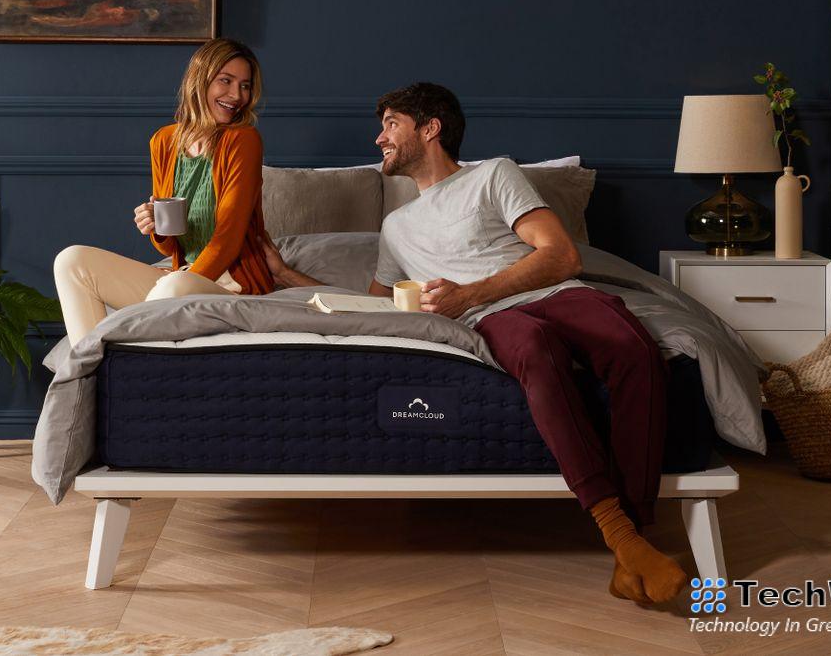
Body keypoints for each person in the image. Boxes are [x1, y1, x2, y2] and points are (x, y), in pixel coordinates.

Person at [262, 83, 687, 606]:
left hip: (557, 294)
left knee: (635, 349)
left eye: (391, 124)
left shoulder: (493, 174)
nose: (379, 138)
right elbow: (373, 304)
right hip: (495, 318)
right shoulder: (396, 227)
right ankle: (622, 537)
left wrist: (469, 293)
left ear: (430, 127)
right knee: (536, 350)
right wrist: (287, 276)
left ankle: (634, 544)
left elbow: (562, 255)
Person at [54, 38, 275, 345]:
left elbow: (229, 240)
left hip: (232, 286)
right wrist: (156, 227)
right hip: (180, 280)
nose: (237, 95)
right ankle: (91, 362)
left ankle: (115, 349)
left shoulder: (244, 140)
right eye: (225, 81)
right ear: (200, 80)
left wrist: (181, 281)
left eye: (245, 86)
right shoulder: (164, 141)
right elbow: (171, 247)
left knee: (173, 286)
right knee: (71, 261)